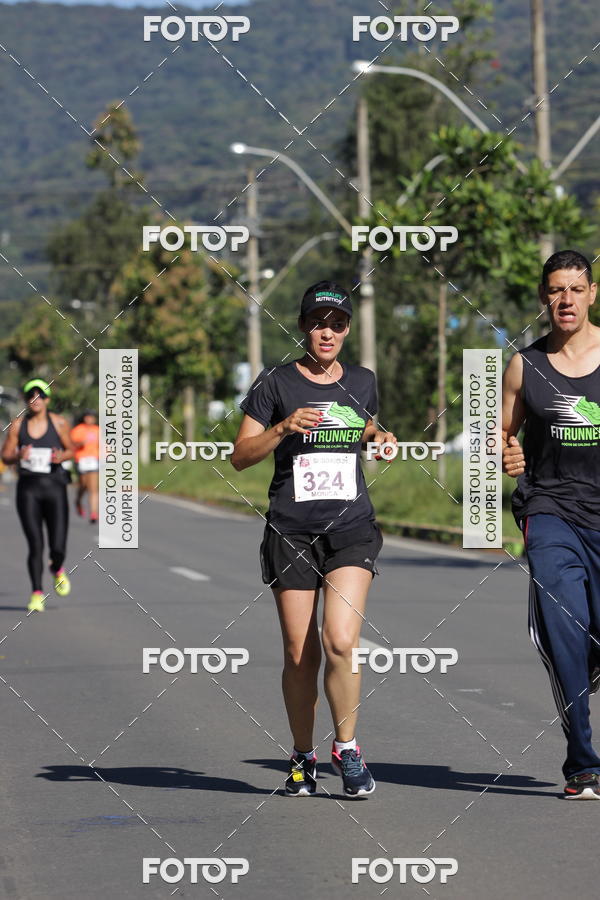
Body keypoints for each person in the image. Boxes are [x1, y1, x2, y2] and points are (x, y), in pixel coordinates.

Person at [232, 281, 396, 797]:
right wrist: (281, 428)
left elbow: (362, 427)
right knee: (300, 652)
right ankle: (302, 755)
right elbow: (239, 456)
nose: (328, 332)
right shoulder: (276, 383)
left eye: (339, 323)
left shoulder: (364, 381)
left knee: (341, 641)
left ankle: (347, 749)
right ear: (304, 326)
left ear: (348, 330)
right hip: (292, 530)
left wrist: (382, 438)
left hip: (351, 529)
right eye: (319, 322)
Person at [502, 249, 600, 800]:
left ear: (592, 294)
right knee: (564, 630)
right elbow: (502, 435)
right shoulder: (525, 365)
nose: (565, 299)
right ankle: (583, 761)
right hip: (550, 513)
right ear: (545, 297)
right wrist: (506, 454)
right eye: (556, 290)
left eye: (575, 289)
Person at [1, 379, 74, 611]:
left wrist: (61, 457)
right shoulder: (17, 426)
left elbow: (72, 449)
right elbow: (5, 456)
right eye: (31, 395)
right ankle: (36, 593)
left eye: (40, 395)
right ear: (25, 400)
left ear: (47, 400)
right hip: (29, 489)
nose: (36, 399)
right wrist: (19, 455)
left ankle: (57, 568)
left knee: (58, 546)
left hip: (55, 487)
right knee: (35, 544)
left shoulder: (59, 423)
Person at [71, 410, 100, 523]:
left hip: (94, 460)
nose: (90, 419)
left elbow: (102, 444)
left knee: (93, 487)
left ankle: (93, 513)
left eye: (92, 417)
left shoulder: (98, 430)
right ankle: (78, 500)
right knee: (83, 485)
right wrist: (80, 444)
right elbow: (71, 445)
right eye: (88, 417)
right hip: (81, 460)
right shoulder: (78, 430)